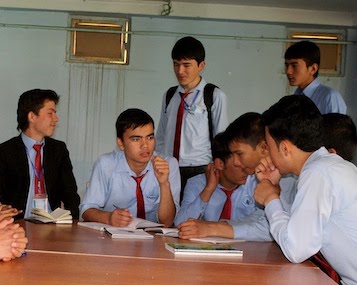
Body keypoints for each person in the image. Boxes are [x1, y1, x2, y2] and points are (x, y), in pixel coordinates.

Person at [254, 95, 357, 285]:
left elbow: (296, 248)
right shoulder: (330, 167)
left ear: (284, 148)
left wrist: (270, 199)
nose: (267, 153)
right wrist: (275, 190)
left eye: (268, 146)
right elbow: (299, 231)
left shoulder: (318, 173)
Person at [178, 112, 296, 241]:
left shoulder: (287, 175)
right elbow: (260, 218)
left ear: (263, 147)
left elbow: (279, 230)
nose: (236, 162)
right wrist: (214, 227)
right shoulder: (267, 173)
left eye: (239, 154)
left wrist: (213, 228)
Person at [80, 108, 180, 227]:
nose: (145, 145)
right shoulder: (106, 164)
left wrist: (164, 184)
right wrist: (109, 217)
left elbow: (167, 222)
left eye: (150, 137)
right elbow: (86, 210)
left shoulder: (168, 164)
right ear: (120, 143)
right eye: (136, 139)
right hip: (114, 238)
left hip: (154, 239)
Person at [156, 36, 229, 198]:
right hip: (170, 170)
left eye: (186, 65)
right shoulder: (170, 96)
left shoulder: (214, 96)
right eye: (176, 64)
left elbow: (221, 139)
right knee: (169, 218)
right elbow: (161, 137)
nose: (180, 71)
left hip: (200, 170)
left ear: (201, 65)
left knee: (193, 219)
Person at [0, 89, 80, 219]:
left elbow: (70, 194)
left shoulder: (58, 150)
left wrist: (73, 222)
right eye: (50, 113)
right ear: (31, 116)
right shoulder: (5, 152)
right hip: (18, 224)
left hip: (52, 226)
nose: (56, 119)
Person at [174, 131, 254, 226]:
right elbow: (180, 224)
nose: (247, 170)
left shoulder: (255, 183)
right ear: (219, 164)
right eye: (239, 165)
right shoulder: (196, 183)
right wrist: (208, 189)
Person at [284, 40, 346, 114]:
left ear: (313, 69)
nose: (288, 71)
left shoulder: (330, 97)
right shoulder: (294, 98)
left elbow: (339, 125)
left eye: (294, 66)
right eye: (287, 65)